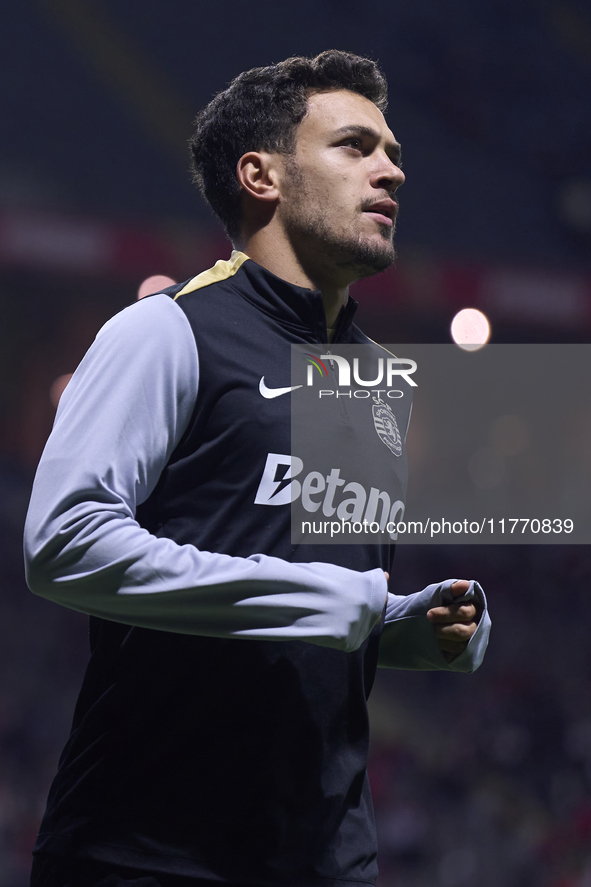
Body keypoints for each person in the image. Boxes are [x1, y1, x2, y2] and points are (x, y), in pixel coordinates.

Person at [24, 50, 491, 887]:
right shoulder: (164, 333)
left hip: (325, 858)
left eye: (391, 150)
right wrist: (334, 598)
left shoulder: (377, 380)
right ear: (261, 175)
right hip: (145, 851)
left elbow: (330, 604)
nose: (392, 169)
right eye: (355, 146)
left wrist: (409, 625)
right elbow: (65, 542)